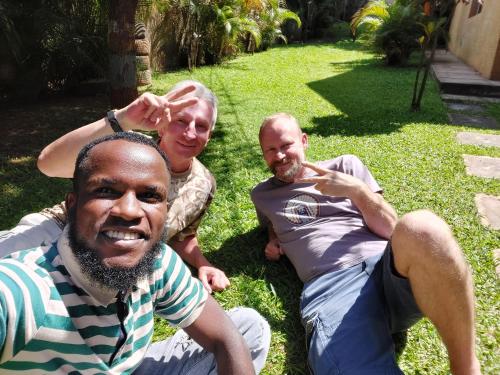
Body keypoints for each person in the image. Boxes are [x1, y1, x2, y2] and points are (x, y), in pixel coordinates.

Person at [0, 132, 270, 373]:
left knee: (247, 328)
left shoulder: (158, 262)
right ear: (72, 205)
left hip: (128, 367)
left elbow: (226, 337)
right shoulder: (26, 292)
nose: (128, 210)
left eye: (149, 196)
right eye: (105, 190)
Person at [251, 113, 481, 375]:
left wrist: (355, 190)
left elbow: (390, 228)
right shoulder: (262, 194)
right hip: (333, 289)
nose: (279, 156)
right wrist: (274, 240)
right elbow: (272, 223)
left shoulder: (345, 165)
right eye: (270, 150)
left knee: (423, 227)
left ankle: (466, 368)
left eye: (286, 145)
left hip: (387, 269)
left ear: (304, 141)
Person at [0, 80, 229, 293]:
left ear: (209, 136)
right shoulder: (125, 148)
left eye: (201, 126)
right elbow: (48, 163)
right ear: (163, 126)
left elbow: (183, 235)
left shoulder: (204, 184)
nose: (190, 133)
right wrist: (121, 120)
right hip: (59, 231)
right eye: (181, 120)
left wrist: (204, 264)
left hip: (107, 270)